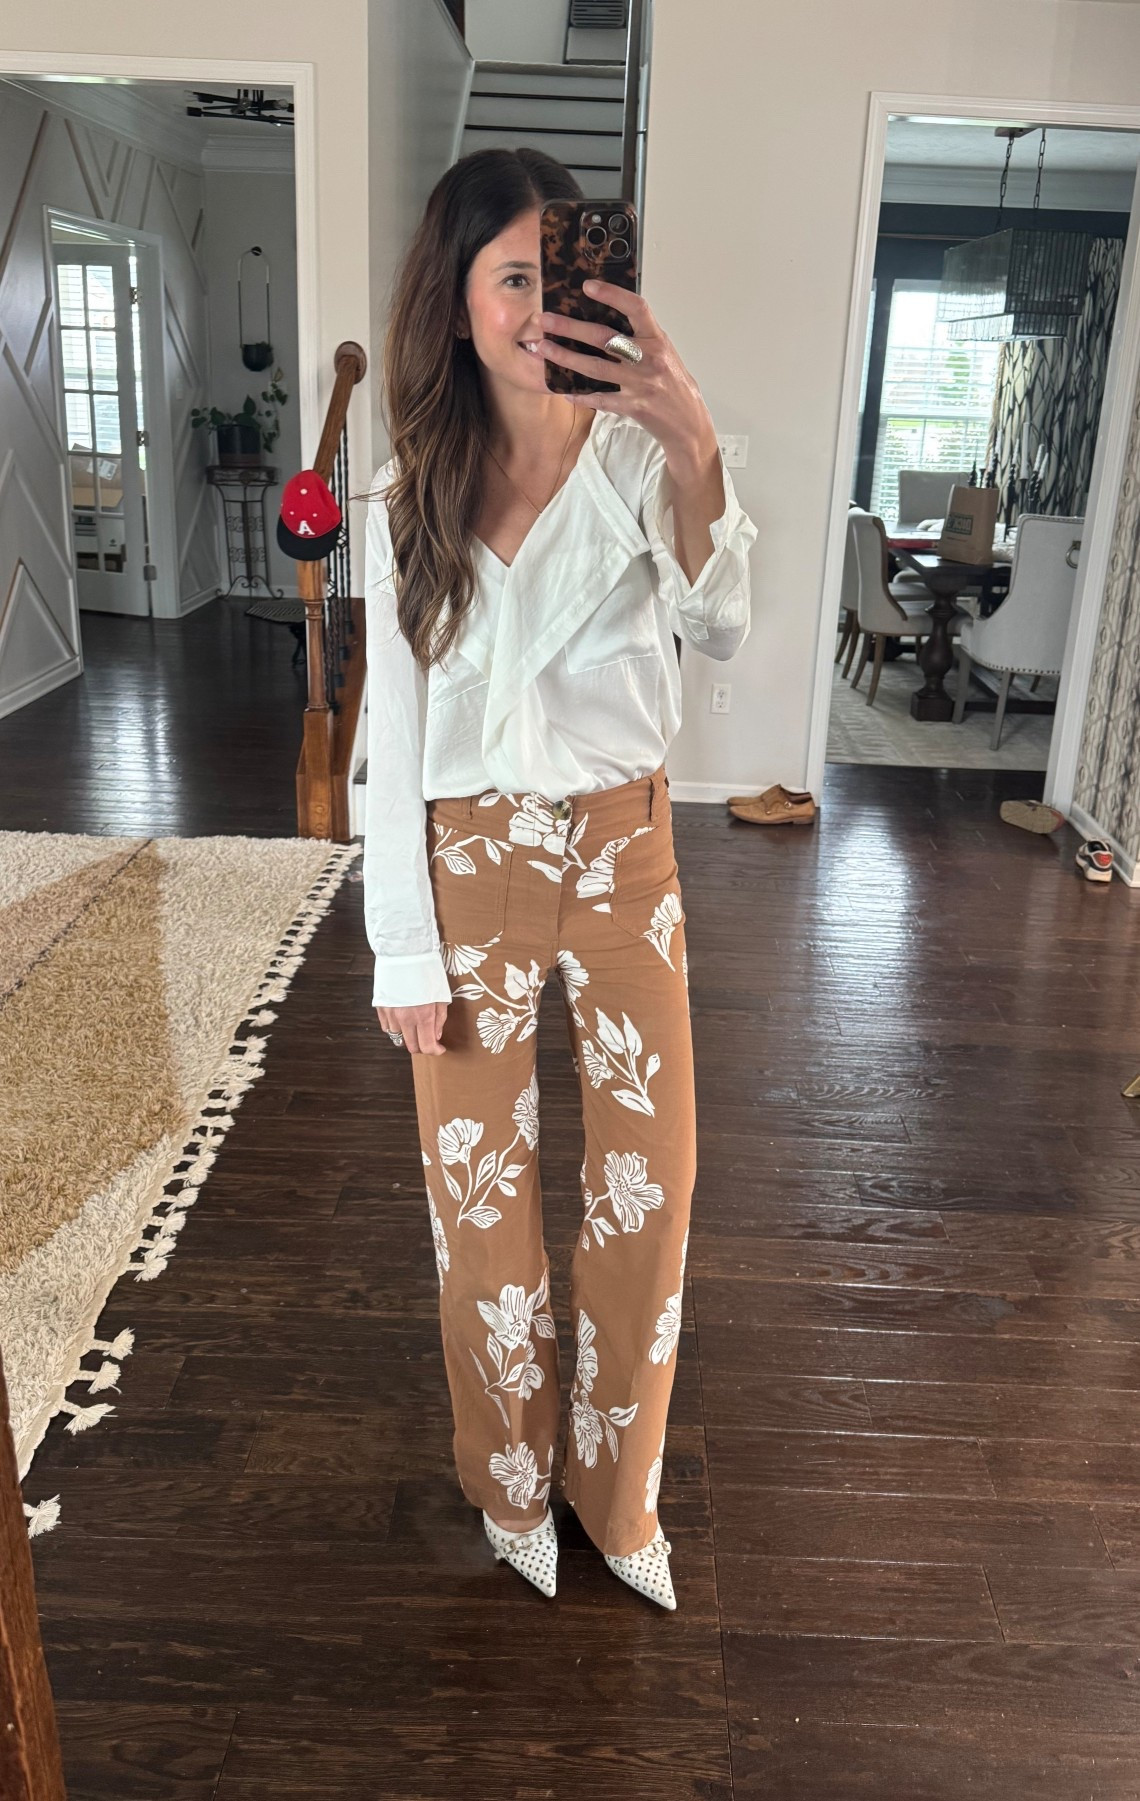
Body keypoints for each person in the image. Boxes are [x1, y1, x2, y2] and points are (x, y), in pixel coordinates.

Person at [360, 147, 757, 1610]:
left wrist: (696, 444)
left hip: (625, 850)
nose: (539, 309)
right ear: (458, 300)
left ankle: (616, 1486)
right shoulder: (408, 489)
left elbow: (725, 627)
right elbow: (390, 735)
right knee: (481, 1209)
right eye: (510, 279)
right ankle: (511, 1476)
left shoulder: (646, 461)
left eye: (560, 277)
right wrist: (401, 944)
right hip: (469, 860)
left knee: (654, 1187)